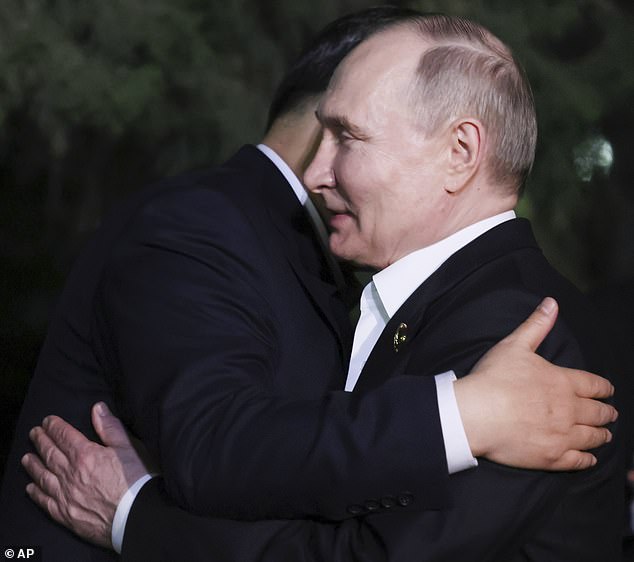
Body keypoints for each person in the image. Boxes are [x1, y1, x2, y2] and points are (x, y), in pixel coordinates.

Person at [9, 9, 618, 562]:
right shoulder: (445, 305)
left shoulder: (521, 333)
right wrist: (461, 415)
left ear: (460, 152)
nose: (317, 172)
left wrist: (136, 518)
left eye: (348, 138)